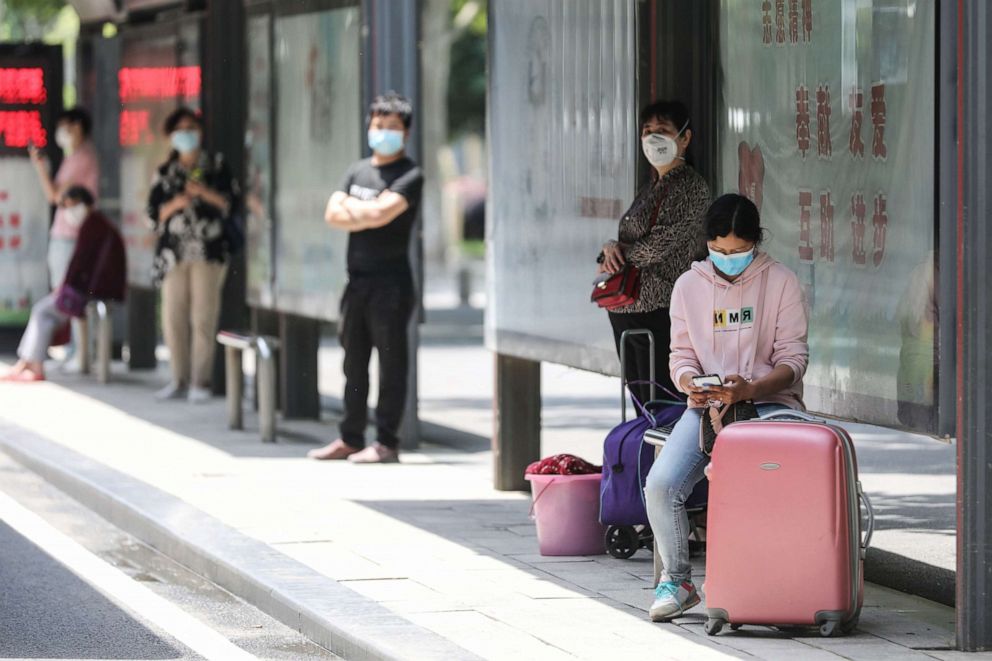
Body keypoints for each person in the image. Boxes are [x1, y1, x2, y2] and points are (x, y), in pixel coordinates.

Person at [644, 193, 809, 622]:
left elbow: (794, 361)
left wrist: (752, 389)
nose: (727, 260)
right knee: (661, 485)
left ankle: (768, 580)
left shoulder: (781, 281)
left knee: (747, 483)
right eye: (719, 251)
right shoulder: (688, 286)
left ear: (756, 242)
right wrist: (689, 386)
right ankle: (677, 581)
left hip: (770, 407)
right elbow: (680, 356)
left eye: (738, 252)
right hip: (706, 409)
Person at [307, 92, 424, 464]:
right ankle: (350, 437)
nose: (383, 132)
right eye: (378, 125)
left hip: (392, 285)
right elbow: (331, 213)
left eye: (391, 127)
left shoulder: (410, 174)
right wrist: (368, 210)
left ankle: (387, 441)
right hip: (355, 282)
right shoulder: (357, 170)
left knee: (391, 365)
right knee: (353, 362)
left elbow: (379, 215)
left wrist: (355, 210)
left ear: (405, 132)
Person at [599, 100, 711, 405]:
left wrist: (619, 253)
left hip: (660, 308)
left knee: (663, 397)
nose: (653, 137)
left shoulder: (689, 186)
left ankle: (666, 453)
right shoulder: (653, 185)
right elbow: (632, 240)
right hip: (629, 307)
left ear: (685, 138)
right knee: (641, 400)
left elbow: (659, 243)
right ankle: (648, 453)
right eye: (647, 131)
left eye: (662, 130)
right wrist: (611, 248)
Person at [147, 107, 240, 404]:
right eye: (180, 129)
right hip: (174, 255)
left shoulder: (216, 166)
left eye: (191, 128)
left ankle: (201, 380)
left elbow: (231, 204)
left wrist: (203, 193)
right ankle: (179, 378)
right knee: (173, 316)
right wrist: (176, 203)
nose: (186, 134)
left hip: (208, 253)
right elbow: (153, 216)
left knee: (203, 316)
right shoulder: (164, 172)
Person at [2, 187, 125, 382]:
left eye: (74, 205)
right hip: (96, 290)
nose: (70, 211)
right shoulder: (99, 224)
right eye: (67, 206)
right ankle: (28, 363)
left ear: (86, 203)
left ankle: (32, 365)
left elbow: (79, 264)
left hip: (91, 292)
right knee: (46, 314)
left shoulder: (92, 227)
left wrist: (65, 287)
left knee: (42, 311)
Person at [29, 107, 101, 366]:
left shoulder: (82, 158)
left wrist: (39, 168)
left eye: (66, 127)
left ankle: (81, 353)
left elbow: (55, 196)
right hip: (66, 235)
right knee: (69, 296)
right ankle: (77, 351)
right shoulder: (77, 157)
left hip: (70, 237)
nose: (62, 133)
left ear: (78, 127)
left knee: (68, 295)